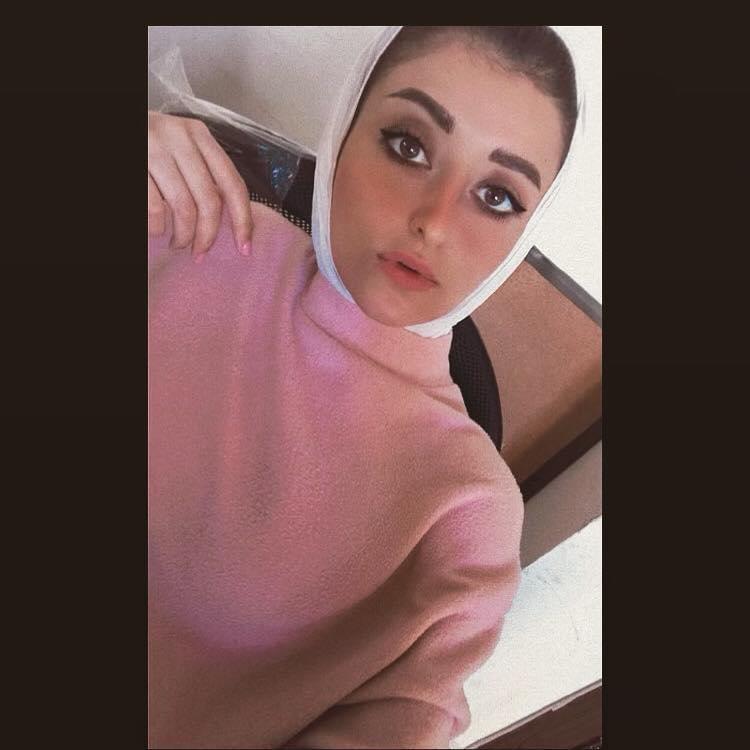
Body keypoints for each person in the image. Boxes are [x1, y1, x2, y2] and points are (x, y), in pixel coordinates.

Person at [148, 26, 582, 748]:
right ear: (345, 132)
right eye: (409, 147)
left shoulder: (465, 511)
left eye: (497, 196)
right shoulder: (194, 224)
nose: (433, 222)